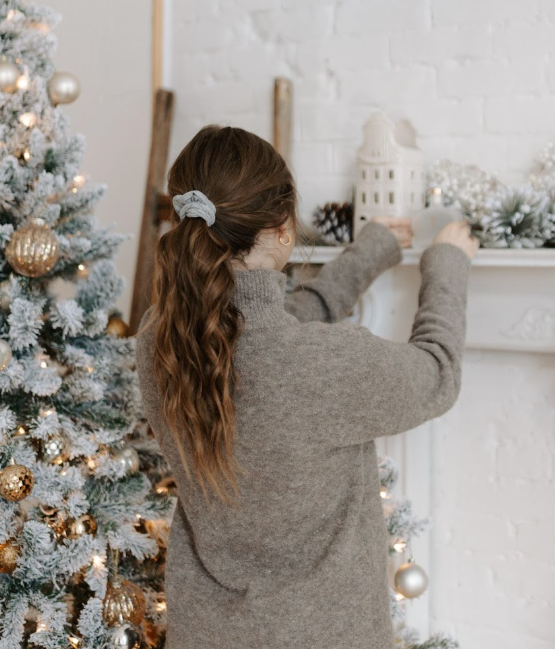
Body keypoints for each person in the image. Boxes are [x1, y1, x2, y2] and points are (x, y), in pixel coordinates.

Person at [135, 124, 479, 649]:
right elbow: (437, 371)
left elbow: (266, 330)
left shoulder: (160, 339)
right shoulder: (322, 363)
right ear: (283, 229)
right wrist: (448, 263)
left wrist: (368, 254)